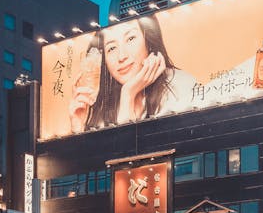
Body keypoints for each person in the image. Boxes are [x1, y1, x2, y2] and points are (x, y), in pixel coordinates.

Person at [68, 17, 197, 133]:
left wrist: (128, 93)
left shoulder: (180, 85)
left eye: (130, 39)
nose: (122, 56)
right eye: (112, 48)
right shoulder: (103, 109)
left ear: (148, 41)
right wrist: (78, 129)